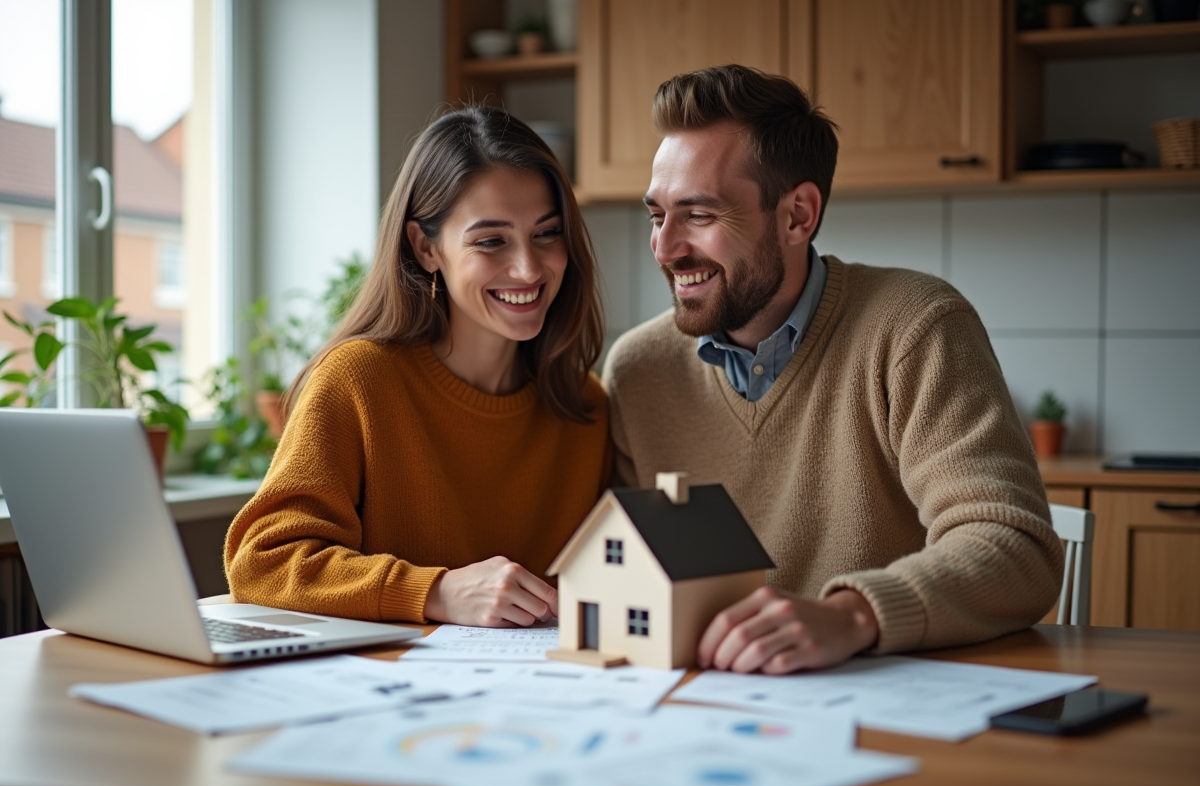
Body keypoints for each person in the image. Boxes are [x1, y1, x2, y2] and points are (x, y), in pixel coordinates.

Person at [603, 65, 1062, 674]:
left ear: (798, 215)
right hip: (706, 712)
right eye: (657, 215)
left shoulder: (916, 327)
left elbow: (1018, 550)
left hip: (886, 704)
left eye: (701, 215)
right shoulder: (639, 370)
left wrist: (853, 615)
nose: (665, 248)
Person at [226, 105, 610, 628]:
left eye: (547, 234)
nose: (528, 267)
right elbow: (263, 563)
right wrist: (437, 592)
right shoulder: (356, 380)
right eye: (491, 241)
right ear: (426, 247)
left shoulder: (585, 406)